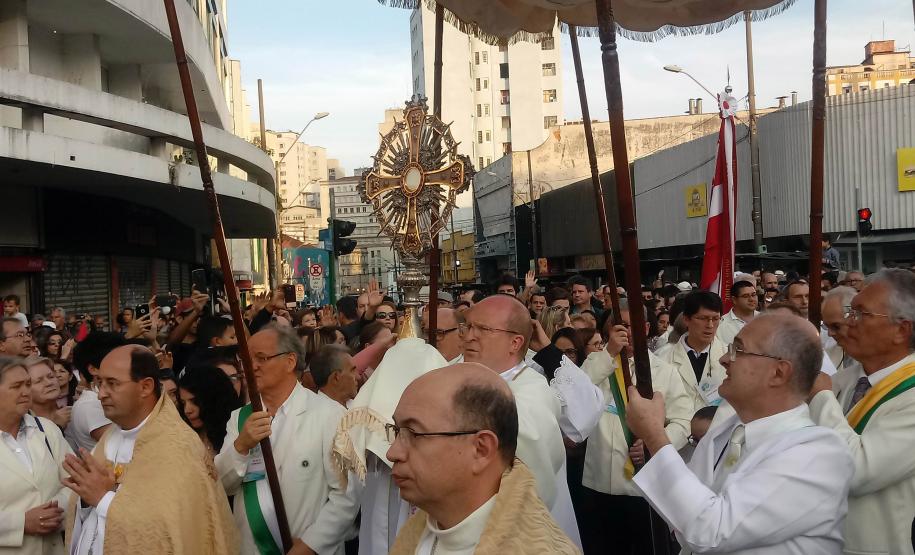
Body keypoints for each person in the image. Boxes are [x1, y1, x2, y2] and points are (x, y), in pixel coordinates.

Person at [627, 313, 854, 554]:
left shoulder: (818, 454)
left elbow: (709, 531)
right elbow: (683, 520)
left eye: (738, 350)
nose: (724, 359)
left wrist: (654, 435)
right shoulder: (726, 431)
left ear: (779, 372)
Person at [63, 345, 238, 554]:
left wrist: (103, 499)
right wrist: (84, 497)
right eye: (99, 383)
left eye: (112, 384)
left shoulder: (177, 446)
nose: (101, 394)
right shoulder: (110, 438)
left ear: (145, 387)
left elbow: (171, 530)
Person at [387, 364, 578, 554]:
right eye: (396, 431)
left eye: (414, 433)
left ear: (481, 449)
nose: (392, 453)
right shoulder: (421, 531)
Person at [461, 294, 603, 548]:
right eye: (467, 326)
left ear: (515, 342)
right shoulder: (451, 372)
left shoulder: (535, 384)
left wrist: (548, 350)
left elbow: (585, 411)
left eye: (482, 329)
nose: (470, 336)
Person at [215, 325, 359, 555]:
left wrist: (310, 545)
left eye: (261, 358)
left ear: (290, 361)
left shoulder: (329, 415)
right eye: (246, 359)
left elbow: (346, 496)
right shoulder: (240, 419)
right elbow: (221, 485)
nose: (251, 367)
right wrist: (241, 446)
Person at [807, 269, 915, 554]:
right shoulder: (844, 380)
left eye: (860, 314)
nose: (847, 323)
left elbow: (856, 470)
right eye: (849, 312)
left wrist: (820, 397)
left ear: (901, 330)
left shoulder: (911, 394)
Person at [580, 299, 692, 554]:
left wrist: (655, 442)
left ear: (647, 328)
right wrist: (607, 353)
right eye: (619, 326)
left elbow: (683, 420)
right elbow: (576, 393)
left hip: (643, 485)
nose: (626, 332)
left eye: (633, 326)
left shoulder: (664, 371)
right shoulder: (597, 364)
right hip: (600, 481)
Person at [0, 356, 72, 555]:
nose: (26, 392)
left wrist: (54, 514)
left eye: (28, 384)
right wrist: (21, 523)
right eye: (16, 386)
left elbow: (74, 482)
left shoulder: (45, 429)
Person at [660, 291, 728, 413]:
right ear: (686, 319)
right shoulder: (663, 357)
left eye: (716, 318)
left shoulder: (730, 356)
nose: (710, 325)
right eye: (703, 318)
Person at [66, 332, 125, 452]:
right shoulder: (90, 406)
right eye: (117, 358)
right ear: (93, 369)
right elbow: (124, 448)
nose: (125, 363)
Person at [178, 365, 241, 459]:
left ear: (213, 400)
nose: (187, 410)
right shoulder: (183, 439)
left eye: (195, 401)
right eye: (183, 403)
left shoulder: (238, 431)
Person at [25, 357, 70, 430]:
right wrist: (58, 426)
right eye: (39, 381)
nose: (49, 383)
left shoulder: (73, 412)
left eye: (51, 377)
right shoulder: (24, 426)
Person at [717, 280, 759, 346]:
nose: (751, 299)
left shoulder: (766, 319)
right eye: (745, 296)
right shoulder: (720, 325)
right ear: (734, 300)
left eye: (753, 295)